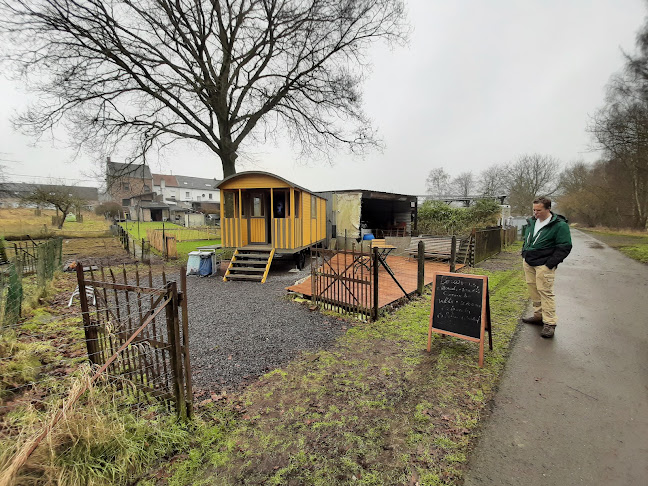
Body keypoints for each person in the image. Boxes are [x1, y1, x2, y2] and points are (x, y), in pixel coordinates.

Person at [521, 196, 572, 338]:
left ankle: (550, 323)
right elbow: (527, 239)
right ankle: (538, 316)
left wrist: (550, 264)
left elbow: (565, 247)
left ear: (548, 209)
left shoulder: (559, 225)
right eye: (534, 210)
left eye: (539, 210)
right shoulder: (532, 222)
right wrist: (524, 252)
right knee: (533, 289)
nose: (535, 213)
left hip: (544, 264)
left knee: (545, 291)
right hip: (529, 261)